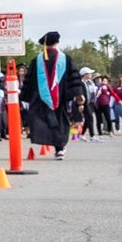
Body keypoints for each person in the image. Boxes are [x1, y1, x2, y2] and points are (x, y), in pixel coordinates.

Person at [20, 30, 84, 159]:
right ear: (57, 42)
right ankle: (60, 147)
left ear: (44, 44)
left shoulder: (36, 60)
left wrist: (24, 97)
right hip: (61, 97)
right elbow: (74, 77)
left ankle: (53, 143)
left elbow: (29, 80)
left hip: (40, 98)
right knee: (60, 121)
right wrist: (79, 94)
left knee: (44, 121)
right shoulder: (65, 59)